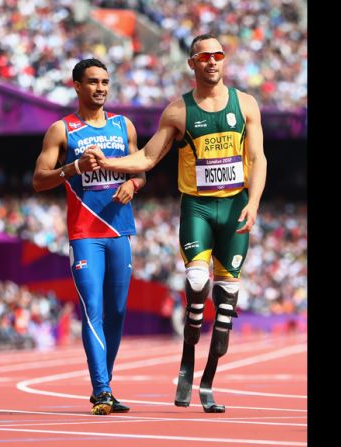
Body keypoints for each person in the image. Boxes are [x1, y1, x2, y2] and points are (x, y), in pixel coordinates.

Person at [81, 34, 267, 413]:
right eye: (205, 56)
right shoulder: (178, 112)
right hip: (197, 208)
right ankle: (187, 354)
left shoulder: (246, 105)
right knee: (198, 284)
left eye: (218, 55)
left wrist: (256, 202)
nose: (213, 61)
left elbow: (259, 158)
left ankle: (207, 380)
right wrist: (109, 163)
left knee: (227, 307)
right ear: (192, 64)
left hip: (235, 209)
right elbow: (147, 158)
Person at [32, 58, 146, 415]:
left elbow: (141, 169)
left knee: (117, 312)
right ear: (77, 86)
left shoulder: (123, 125)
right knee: (92, 309)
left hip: (120, 232)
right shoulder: (61, 130)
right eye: (93, 82)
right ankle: (101, 390)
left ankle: (106, 385)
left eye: (105, 82)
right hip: (85, 235)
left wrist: (132, 183)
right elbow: (39, 180)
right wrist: (73, 168)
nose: (101, 88)